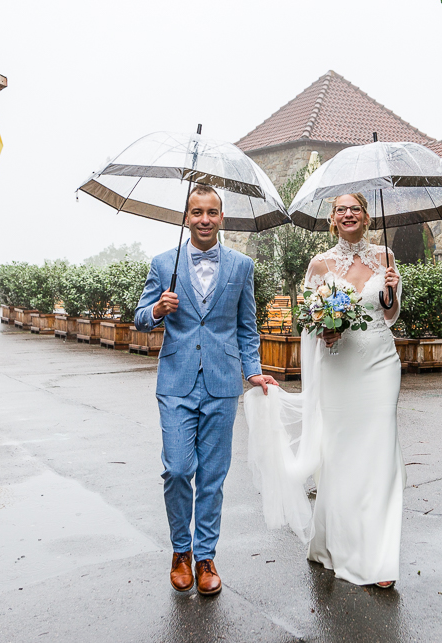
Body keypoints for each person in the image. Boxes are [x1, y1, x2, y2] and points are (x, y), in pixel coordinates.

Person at [244, 192, 403, 589]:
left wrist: (392, 291)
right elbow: (307, 322)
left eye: (356, 209)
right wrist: (324, 328)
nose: (349, 214)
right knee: (342, 455)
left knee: (381, 452)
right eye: (341, 210)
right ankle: (338, 544)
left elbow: (389, 314)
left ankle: (378, 555)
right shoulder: (320, 264)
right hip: (338, 368)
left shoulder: (385, 257)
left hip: (380, 363)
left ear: (367, 217)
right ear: (333, 219)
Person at [135, 184, 279, 596]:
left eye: (211, 212)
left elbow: (246, 328)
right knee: (178, 469)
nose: (203, 219)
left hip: (221, 382)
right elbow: (141, 317)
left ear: (221, 217)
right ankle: (180, 551)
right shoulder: (165, 263)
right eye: (196, 212)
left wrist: (252, 371)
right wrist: (157, 310)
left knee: (213, 478)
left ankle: (204, 558)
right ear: (186, 217)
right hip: (176, 382)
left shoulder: (241, 266)